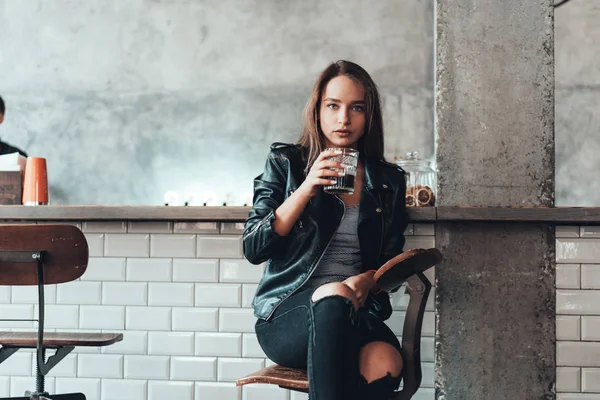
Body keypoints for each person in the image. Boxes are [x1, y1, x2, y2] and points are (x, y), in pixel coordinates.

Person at [243, 60, 409, 400]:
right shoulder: (286, 163)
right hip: (288, 316)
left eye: (356, 108)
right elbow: (253, 247)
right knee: (333, 296)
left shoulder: (389, 181)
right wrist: (305, 188)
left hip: (356, 313)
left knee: (386, 360)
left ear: (369, 115)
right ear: (317, 110)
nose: (343, 119)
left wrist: (369, 280)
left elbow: (393, 262)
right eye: (333, 106)